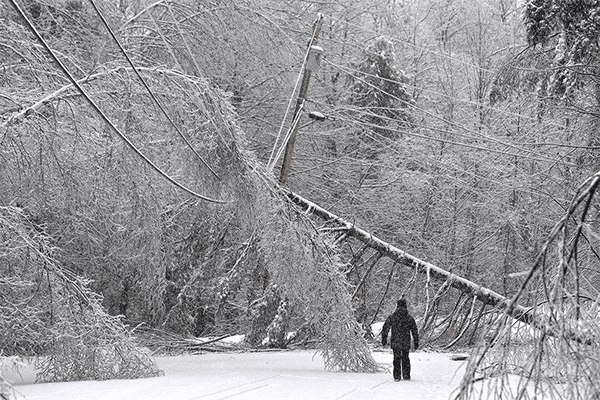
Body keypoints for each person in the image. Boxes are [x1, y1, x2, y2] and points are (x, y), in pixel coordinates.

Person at [381, 299, 419, 381]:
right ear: (406, 306)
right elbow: (414, 331)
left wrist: (384, 339)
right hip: (406, 341)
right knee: (405, 358)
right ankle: (406, 375)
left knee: (396, 358)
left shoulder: (392, 317)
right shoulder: (409, 318)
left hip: (396, 341)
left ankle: (397, 376)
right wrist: (416, 342)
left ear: (397, 306)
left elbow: (385, 328)